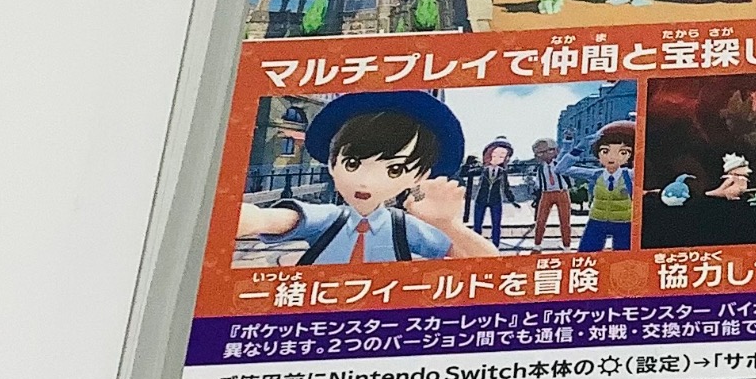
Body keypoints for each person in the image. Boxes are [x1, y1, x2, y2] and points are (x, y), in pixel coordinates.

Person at [235, 92, 496, 264]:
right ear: (332, 163)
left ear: (419, 176)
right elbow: (272, 219)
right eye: (352, 163)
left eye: (394, 170)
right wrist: (250, 219)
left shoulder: (405, 227)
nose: (366, 182)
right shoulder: (328, 218)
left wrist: (449, 225)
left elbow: (490, 266)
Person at [578, 121, 636, 251]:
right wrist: (580, 147)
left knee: (623, 258)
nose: (612, 157)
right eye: (605, 151)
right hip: (597, 221)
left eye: (622, 152)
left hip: (623, 222)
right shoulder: (595, 174)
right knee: (586, 255)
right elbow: (561, 168)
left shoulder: (630, 175)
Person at [527, 137, 576, 250]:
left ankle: (566, 245)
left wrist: (568, 139)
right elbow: (538, 183)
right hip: (546, 194)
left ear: (555, 151)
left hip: (562, 192)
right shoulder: (540, 168)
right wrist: (533, 184)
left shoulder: (560, 163)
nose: (545, 154)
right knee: (541, 220)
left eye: (549, 150)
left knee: (565, 221)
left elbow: (567, 153)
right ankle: (537, 244)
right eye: (540, 153)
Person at [469, 138, 516, 247]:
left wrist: (511, 199)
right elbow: (467, 172)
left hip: (496, 200)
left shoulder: (502, 172)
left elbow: (506, 186)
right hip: (481, 199)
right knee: (477, 224)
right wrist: (470, 164)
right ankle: (476, 245)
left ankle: (495, 245)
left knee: (496, 224)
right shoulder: (482, 169)